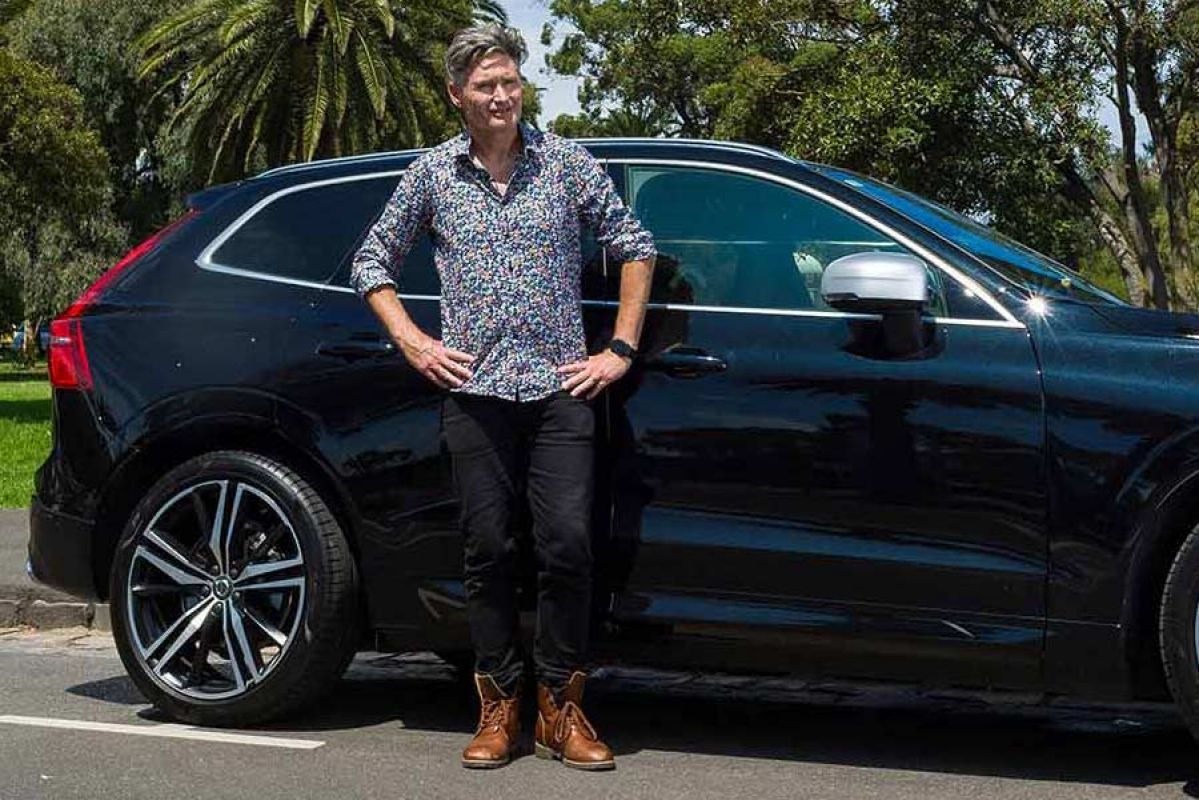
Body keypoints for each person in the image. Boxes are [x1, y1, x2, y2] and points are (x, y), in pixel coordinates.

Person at [348, 24, 656, 771]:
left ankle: (561, 705)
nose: (500, 96)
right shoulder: (431, 175)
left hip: (558, 388)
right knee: (487, 550)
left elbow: (634, 245)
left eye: (509, 82)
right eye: (485, 85)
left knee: (568, 548)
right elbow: (370, 260)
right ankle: (498, 706)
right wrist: (414, 341)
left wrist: (618, 348)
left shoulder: (565, 164)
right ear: (457, 94)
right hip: (474, 391)